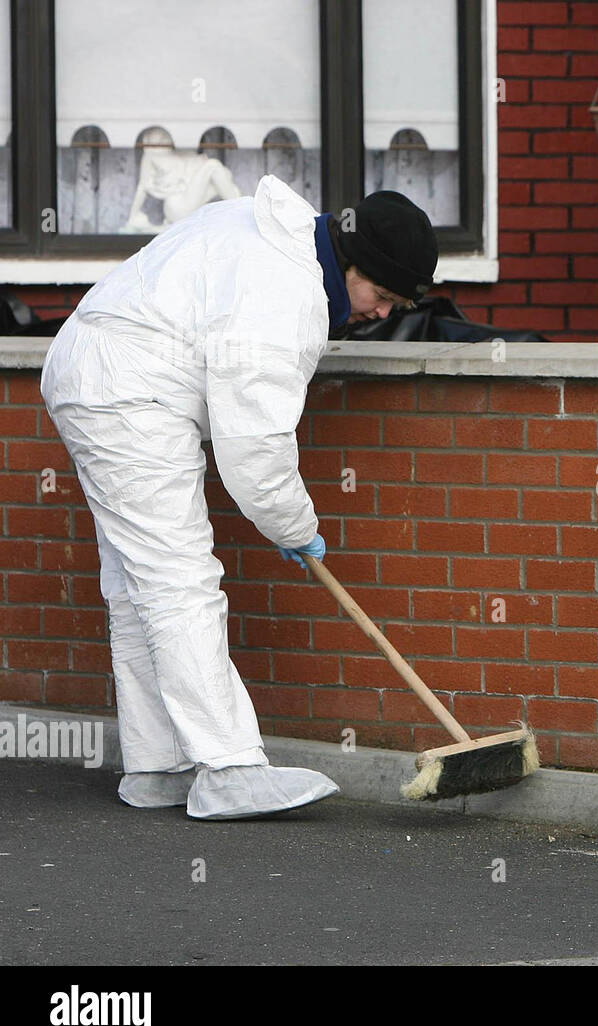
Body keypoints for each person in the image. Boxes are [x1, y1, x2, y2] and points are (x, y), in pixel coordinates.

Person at [40, 174, 439, 819]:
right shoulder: (287, 291)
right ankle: (228, 769)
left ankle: (157, 767)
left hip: (94, 373)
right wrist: (294, 526)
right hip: (128, 393)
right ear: (351, 263)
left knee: (140, 583)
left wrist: (287, 522)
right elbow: (255, 448)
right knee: (179, 577)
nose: (382, 314)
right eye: (383, 294)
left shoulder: (261, 230)